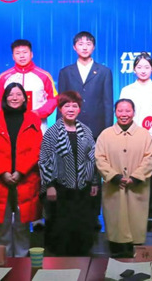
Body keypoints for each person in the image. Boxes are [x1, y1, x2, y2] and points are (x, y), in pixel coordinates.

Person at [58, 31, 113, 230]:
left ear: (93, 47)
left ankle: (93, 214)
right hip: (71, 128)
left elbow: (108, 103)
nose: (84, 46)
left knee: (94, 173)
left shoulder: (104, 71)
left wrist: (107, 132)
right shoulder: (66, 72)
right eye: (80, 43)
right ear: (74, 47)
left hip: (96, 129)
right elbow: (61, 102)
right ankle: (72, 211)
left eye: (88, 43)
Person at [0, 82, 42, 257]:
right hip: (0, 179)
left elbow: (37, 148)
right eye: (10, 94)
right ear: (5, 98)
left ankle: (22, 261)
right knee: (3, 225)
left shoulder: (33, 119)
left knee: (23, 225)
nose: (14, 98)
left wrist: (20, 171)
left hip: (25, 178)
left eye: (18, 94)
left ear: (24, 98)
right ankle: (5, 261)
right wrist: (3, 172)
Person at [39, 91, 99, 256]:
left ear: (79, 109)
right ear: (60, 109)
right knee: (60, 227)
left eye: (74, 106)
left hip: (82, 188)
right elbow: (44, 160)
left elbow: (92, 158)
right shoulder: (52, 132)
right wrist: (49, 185)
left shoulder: (86, 130)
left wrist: (94, 181)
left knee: (82, 225)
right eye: (66, 106)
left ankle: (82, 259)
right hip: (60, 188)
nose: (71, 109)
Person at [95, 99, 152, 258]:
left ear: (134, 113)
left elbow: (149, 159)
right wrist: (115, 176)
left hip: (138, 188)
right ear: (115, 112)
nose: (124, 114)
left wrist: (135, 177)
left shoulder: (144, 135)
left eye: (127, 111)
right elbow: (99, 159)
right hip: (113, 188)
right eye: (120, 111)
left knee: (136, 225)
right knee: (116, 225)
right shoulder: (105, 135)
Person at [119, 52, 152, 230]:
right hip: (130, 139)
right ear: (133, 69)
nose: (143, 70)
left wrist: (151, 134)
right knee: (132, 174)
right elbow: (123, 114)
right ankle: (132, 212)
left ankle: (151, 213)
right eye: (139, 67)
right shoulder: (127, 90)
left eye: (146, 67)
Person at [0, 39, 57, 134]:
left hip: (38, 125)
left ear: (31, 54)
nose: (21, 56)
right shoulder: (3, 77)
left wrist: (39, 113)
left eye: (25, 52)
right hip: (11, 125)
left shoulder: (44, 76)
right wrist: (9, 113)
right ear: (13, 57)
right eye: (17, 53)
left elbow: (53, 99)